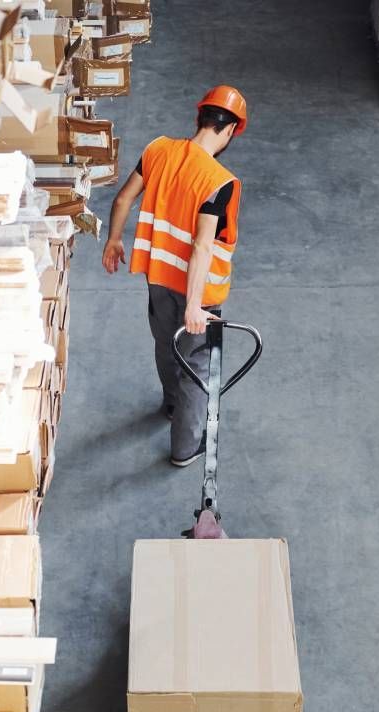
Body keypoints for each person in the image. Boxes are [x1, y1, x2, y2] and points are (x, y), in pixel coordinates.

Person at [101, 85, 248, 467]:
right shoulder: (219, 182)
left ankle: (171, 405)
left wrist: (114, 240)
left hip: (156, 277)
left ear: (200, 117)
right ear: (230, 130)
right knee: (196, 364)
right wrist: (196, 305)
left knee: (166, 344)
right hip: (196, 289)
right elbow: (202, 246)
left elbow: (122, 199)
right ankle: (185, 447)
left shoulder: (158, 149)